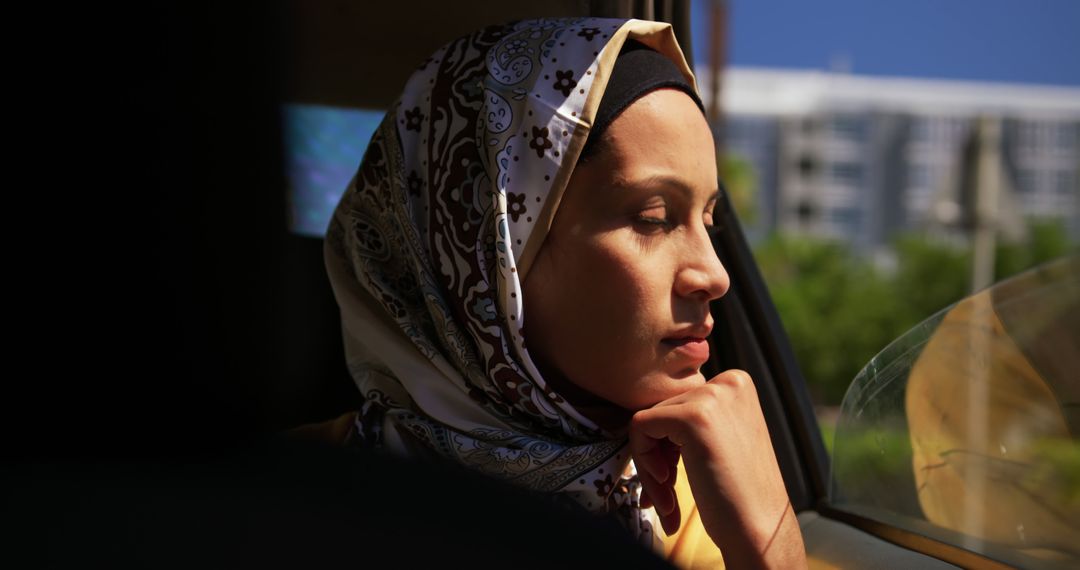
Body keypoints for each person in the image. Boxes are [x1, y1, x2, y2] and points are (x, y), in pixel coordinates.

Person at [314, 16, 806, 568]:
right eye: (654, 217)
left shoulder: (706, 514)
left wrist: (770, 544)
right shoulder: (273, 504)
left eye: (709, 223)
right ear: (489, 253)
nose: (715, 275)